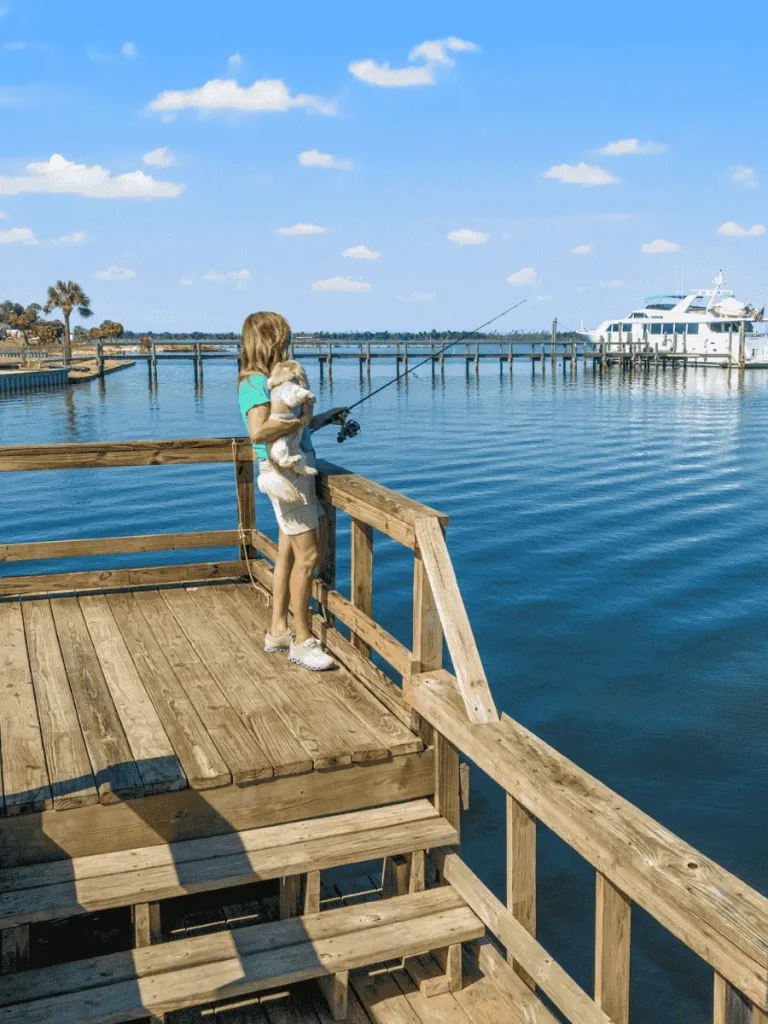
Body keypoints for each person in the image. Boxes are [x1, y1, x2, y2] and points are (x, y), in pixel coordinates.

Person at [238, 311, 344, 671]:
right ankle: (302, 640)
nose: (287, 342)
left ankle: (279, 630)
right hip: (286, 475)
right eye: (283, 337)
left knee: (287, 552)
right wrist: (300, 419)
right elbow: (259, 432)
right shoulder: (254, 382)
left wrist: (320, 418)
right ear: (270, 339)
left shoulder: (267, 380)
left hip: (292, 470)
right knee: (310, 557)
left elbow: (285, 427)